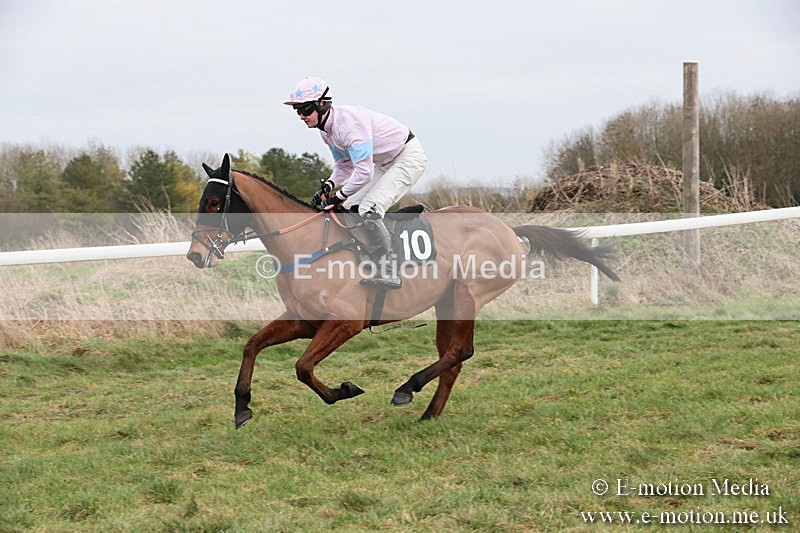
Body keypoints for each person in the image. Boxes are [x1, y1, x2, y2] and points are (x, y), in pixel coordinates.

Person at [284, 76, 427, 290]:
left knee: (369, 209)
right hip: (383, 163)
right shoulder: (326, 131)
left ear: (322, 104)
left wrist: (338, 197)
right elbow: (344, 166)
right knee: (350, 208)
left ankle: (390, 271)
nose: (301, 116)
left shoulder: (348, 127)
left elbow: (364, 172)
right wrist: (329, 186)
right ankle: (367, 258)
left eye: (305, 109)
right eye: (298, 111)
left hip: (407, 157)